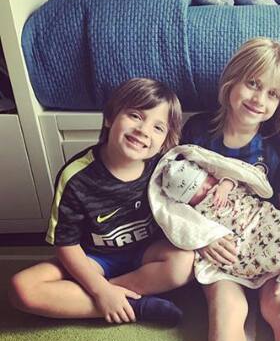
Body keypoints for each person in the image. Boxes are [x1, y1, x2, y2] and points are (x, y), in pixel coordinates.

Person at [181, 37, 280, 341]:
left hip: (266, 244)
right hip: (219, 245)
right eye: (253, 84)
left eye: (273, 94)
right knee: (227, 307)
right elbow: (174, 198)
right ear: (232, 80)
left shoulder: (276, 147)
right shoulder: (197, 132)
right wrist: (202, 240)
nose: (260, 100)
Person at [9, 78, 194, 326]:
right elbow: (66, 245)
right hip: (94, 259)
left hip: (147, 253)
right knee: (22, 289)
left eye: (158, 127)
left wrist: (106, 291)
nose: (143, 130)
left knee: (185, 263)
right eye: (135, 116)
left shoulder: (163, 168)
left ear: (166, 141)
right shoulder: (76, 177)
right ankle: (135, 305)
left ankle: (111, 299)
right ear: (110, 117)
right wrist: (100, 290)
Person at [151, 145, 280, 294]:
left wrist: (224, 186)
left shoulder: (223, 183)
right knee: (242, 257)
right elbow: (192, 227)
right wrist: (203, 238)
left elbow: (235, 178)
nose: (207, 189)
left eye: (206, 181)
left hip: (260, 220)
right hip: (242, 242)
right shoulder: (195, 211)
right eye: (197, 191)